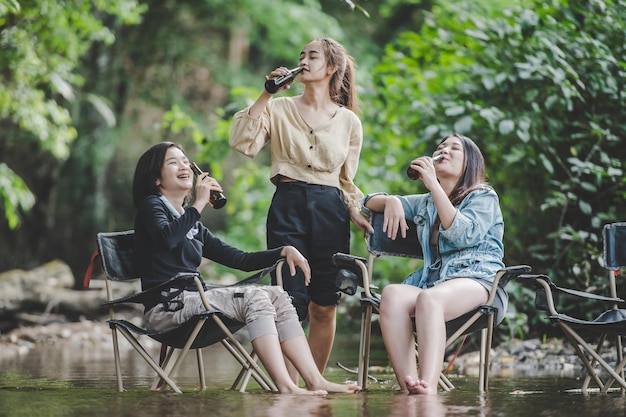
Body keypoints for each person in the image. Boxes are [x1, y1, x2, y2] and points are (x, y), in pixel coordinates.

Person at [132, 141, 361, 395]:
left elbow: (239, 259)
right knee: (256, 297)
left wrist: (282, 251)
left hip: (193, 303)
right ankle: (285, 385)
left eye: (186, 161)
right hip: (167, 309)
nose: (184, 166)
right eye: (173, 162)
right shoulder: (152, 207)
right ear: (155, 179)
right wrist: (198, 204)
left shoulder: (192, 223)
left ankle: (314, 380)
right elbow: (167, 238)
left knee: (279, 295)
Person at [229, 37, 372, 376]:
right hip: (288, 205)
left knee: (324, 304)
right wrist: (267, 93)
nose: (304, 60)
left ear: (332, 67)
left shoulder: (349, 122)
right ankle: (290, 387)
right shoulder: (278, 108)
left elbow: (346, 180)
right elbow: (242, 142)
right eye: (301, 55)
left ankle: (315, 386)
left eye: (313, 56)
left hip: (330, 210)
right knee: (290, 303)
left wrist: (357, 210)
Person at [362, 133, 506, 395]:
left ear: (469, 164)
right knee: (392, 294)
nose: (445, 151)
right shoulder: (426, 203)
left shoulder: (484, 197)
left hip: (480, 282)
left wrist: (433, 185)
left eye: (454, 149)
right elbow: (366, 203)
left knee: (429, 299)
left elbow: (463, 235)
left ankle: (428, 386)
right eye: (441, 147)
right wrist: (392, 200)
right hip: (435, 283)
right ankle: (409, 384)